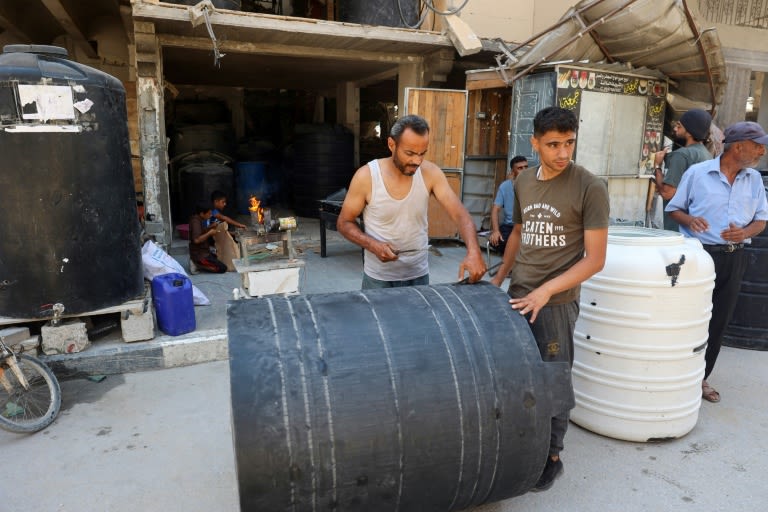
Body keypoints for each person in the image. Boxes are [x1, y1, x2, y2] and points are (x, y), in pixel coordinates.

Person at [489, 106, 610, 492]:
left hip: (555, 303)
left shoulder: (590, 186)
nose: (562, 153)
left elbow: (595, 259)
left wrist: (547, 290)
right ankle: (523, 443)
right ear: (535, 142)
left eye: (569, 143)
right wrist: (500, 278)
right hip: (519, 294)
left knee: (554, 379)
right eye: (553, 144)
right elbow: (519, 235)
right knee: (517, 373)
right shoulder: (523, 182)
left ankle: (552, 456)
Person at [666, 121, 768, 403]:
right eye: (757, 145)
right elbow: (674, 209)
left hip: (735, 257)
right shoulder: (698, 174)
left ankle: (701, 378)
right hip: (699, 256)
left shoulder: (754, 179)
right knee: (688, 318)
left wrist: (745, 232)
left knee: (718, 321)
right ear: (738, 147)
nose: (762, 151)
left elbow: (762, 219)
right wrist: (690, 219)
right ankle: (673, 375)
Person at [337, 114, 486, 288]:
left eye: (422, 154)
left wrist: (474, 251)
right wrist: (373, 245)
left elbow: (460, 215)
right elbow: (344, 222)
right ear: (391, 145)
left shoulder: (431, 173)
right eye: (409, 153)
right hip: (379, 279)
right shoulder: (367, 176)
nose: (417, 160)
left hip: (418, 276)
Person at [653, 109, 713, 231]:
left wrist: (657, 166)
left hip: (678, 227)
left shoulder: (681, 155)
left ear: (690, 132)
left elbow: (666, 193)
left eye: (679, 126)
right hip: (697, 225)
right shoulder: (706, 155)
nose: (675, 129)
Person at [489, 155, 528, 253]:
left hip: (529, 226)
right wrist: (496, 231)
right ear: (512, 171)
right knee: (497, 241)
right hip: (510, 226)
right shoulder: (505, 186)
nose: (524, 170)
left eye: (526, 167)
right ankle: (511, 265)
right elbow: (495, 210)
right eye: (520, 168)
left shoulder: (535, 185)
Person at [189, 201, 228, 274]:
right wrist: (210, 233)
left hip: (205, 251)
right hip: (199, 255)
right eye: (209, 213)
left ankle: (198, 262)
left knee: (218, 256)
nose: (210, 215)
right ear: (202, 213)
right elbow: (196, 240)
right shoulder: (195, 222)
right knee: (222, 268)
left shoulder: (199, 219)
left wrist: (211, 227)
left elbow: (201, 232)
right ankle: (197, 265)